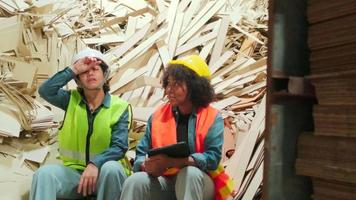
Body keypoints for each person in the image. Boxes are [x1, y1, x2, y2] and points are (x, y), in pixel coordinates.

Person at [120, 55, 233, 200]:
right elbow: (141, 154)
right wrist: (146, 165)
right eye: (168, 84)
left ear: (195, 86)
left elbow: (212, 159)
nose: (169, 90)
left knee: (189, 174)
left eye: (176, 85)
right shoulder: (157, 117)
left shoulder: (212, 117)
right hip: (166, 181)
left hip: (200, 183)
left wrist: (172, 162)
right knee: (135, 181)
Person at [30, 48, 132, 200]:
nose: (90, 73)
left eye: (95, 69)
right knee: (43, 175)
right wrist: (73, 69)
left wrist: (95, 164)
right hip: (75, 176)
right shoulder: (70, 100)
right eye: (84, 71)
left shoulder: (120, 107)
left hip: (104, 176)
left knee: (112, 168)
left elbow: (119, 147)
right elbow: (45, 91)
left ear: (104, 75)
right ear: (77, 80)